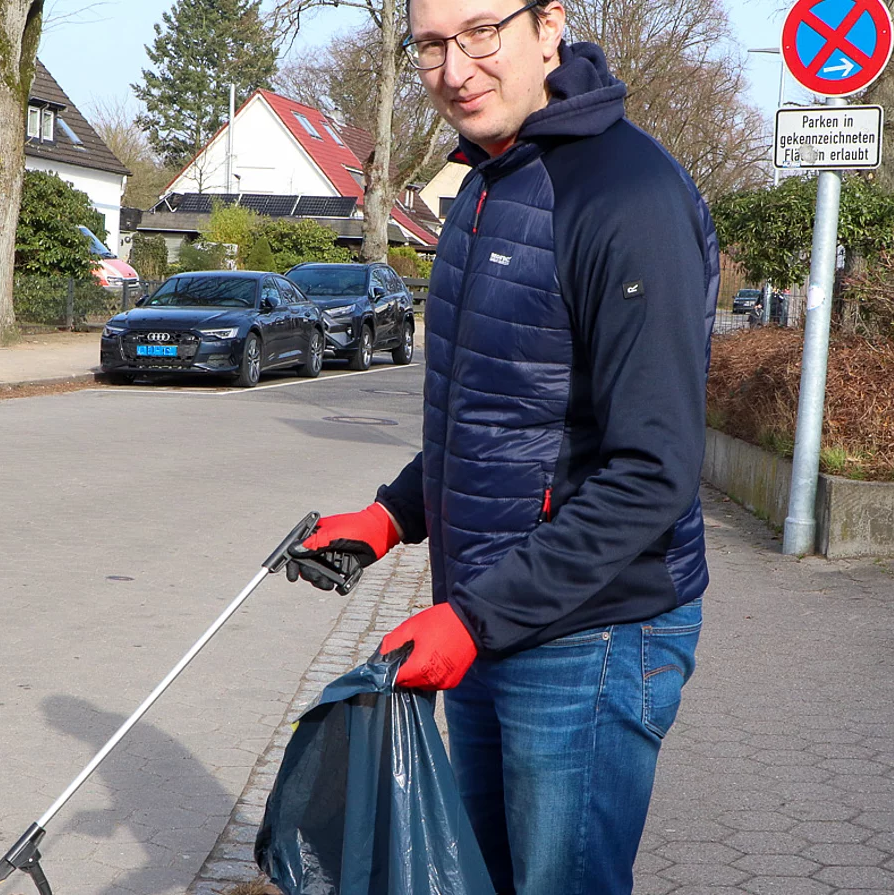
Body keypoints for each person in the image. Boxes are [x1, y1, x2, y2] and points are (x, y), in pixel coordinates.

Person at [284, 0, 718, 891]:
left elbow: (654, 472)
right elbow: (492, 409)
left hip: (590, 638)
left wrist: (475, 618)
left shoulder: (627, 197)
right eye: (431, 45)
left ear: (548, 25)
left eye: (481, 31)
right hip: (487, 617)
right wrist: (389, 515)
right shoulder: (488, 181)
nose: (454, 68)